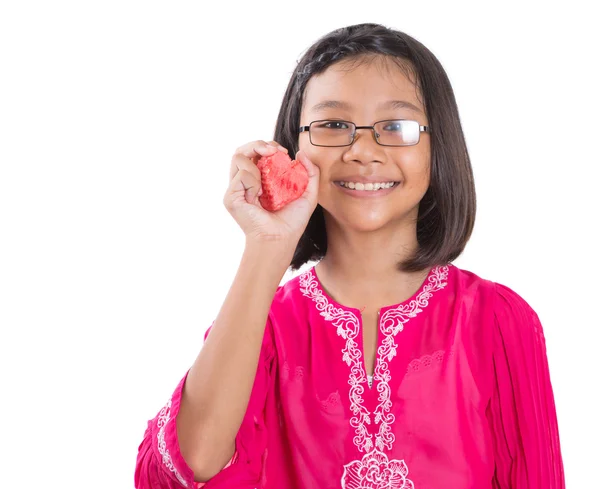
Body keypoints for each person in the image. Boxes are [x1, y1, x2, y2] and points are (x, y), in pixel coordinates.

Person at [134, 23, 565, 489]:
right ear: (294, 146)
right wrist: (266, 247)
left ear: (438, 144)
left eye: (396, 127)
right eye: (334, 125)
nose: (363, 151)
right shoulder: (263, 325)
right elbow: (186, 468)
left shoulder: (497, 321)